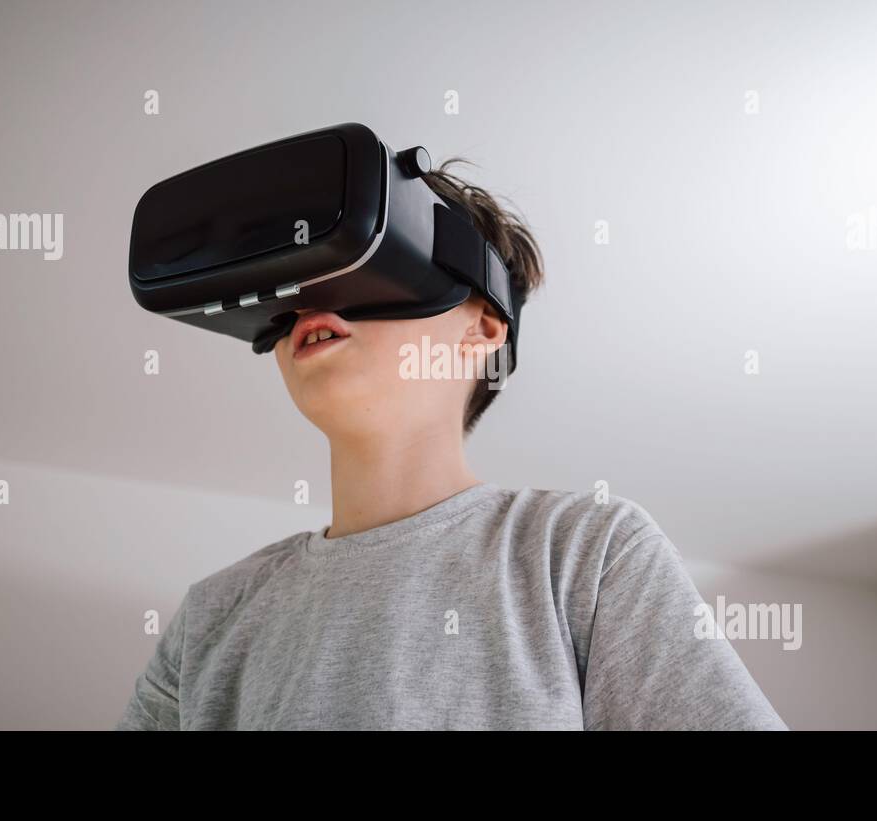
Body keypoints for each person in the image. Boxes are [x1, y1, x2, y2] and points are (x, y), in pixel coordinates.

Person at [114, 158, 787, 730]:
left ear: (485, 325)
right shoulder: (210, 620)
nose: (315, 295)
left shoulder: (586, 552)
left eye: (364, 266)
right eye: (300, 278)